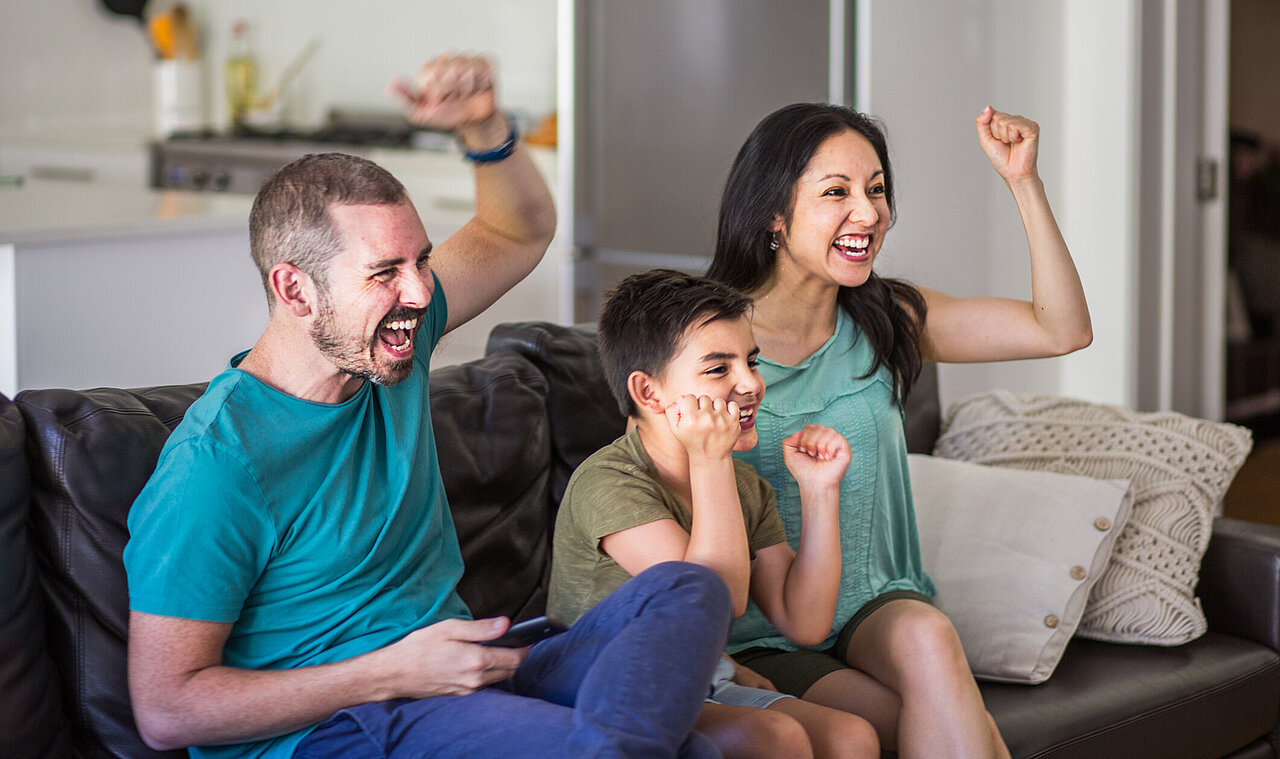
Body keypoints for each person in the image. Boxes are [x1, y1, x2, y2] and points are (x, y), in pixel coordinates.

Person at [123, 54, 731, 759]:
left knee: (687, 589)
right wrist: (391, 672)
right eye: (386, 272)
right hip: (336, 728)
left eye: (421, 261)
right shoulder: (216, 467)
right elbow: (167, 709)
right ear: (295, 292)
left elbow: (517, 231)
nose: (418, 292)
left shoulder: (388, 347)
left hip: (462, 673)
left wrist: (484, 129)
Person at [705, 103, 1093, 759]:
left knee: (928, 636)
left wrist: (1024, 181)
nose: (870, 212)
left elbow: (1062, 329)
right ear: (774, 215)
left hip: (873, 606)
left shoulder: (886, 317)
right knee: (929, 729)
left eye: (876, 189)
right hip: (761, 630)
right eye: (837, 192)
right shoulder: (708, 344)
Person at [548, 269, 879, 759]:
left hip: (697, 677)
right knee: (779, 737)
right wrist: (711, 458)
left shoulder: (744, 487)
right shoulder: (610, 483)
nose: (750, 383)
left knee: (853, 737)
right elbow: (713, 600)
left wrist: (819, 492)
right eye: (718, 369)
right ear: (648, 393)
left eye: (751, 361)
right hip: (607, 690)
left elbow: (806, 622)